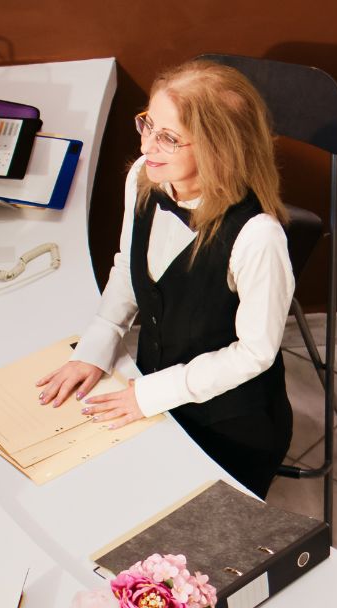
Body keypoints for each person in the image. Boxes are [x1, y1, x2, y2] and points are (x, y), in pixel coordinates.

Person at [37, 60, 295, 499]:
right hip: (154, 391)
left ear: (219, 148)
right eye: (147, 124)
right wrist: (97, 345)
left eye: (168, 138)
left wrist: (151, 395)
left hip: (230, 426)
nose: (147, 145)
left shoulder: (258, 238)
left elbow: (255, 354)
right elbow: (127, 263)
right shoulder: (143, 177)